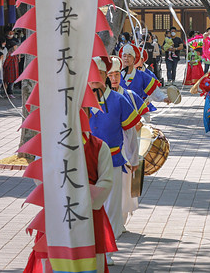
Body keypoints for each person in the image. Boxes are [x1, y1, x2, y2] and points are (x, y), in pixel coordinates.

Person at [23, 130, 118, 273]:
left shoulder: (99, 146)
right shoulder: (48, 145)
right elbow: (40, 177)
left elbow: (106, 182)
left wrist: (79, 197)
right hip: (58, 212)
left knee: (90, 260)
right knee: (53, 260)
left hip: (89, 215)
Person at [89, 56, 143, 265]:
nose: (94, 80)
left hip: (112, 158)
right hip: (84, 162)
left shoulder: (119, 100)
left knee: (111, 207)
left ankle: (105, 250)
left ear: (105, 76)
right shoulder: (79, 100)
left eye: (98, 75)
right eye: (90, 76)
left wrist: (133, 159)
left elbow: (130, 133)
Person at [106, 56, 150, 229]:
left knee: (124, 190)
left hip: (125, 150)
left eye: (117, 74)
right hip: (105, 152)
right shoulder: (98, 98)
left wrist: (141, 123)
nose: (114, 78)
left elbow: (143, 117)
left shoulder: (128, 96)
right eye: (110, 75)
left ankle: (119, 223)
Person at [120, 44, 170, 121]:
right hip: (121, 114)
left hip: (138, 113)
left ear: (134, 59)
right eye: (124, 56)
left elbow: (154, 90)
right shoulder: (116, 76)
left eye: (129, 56)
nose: (126, 58)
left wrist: (164, 98)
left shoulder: (142, 75)